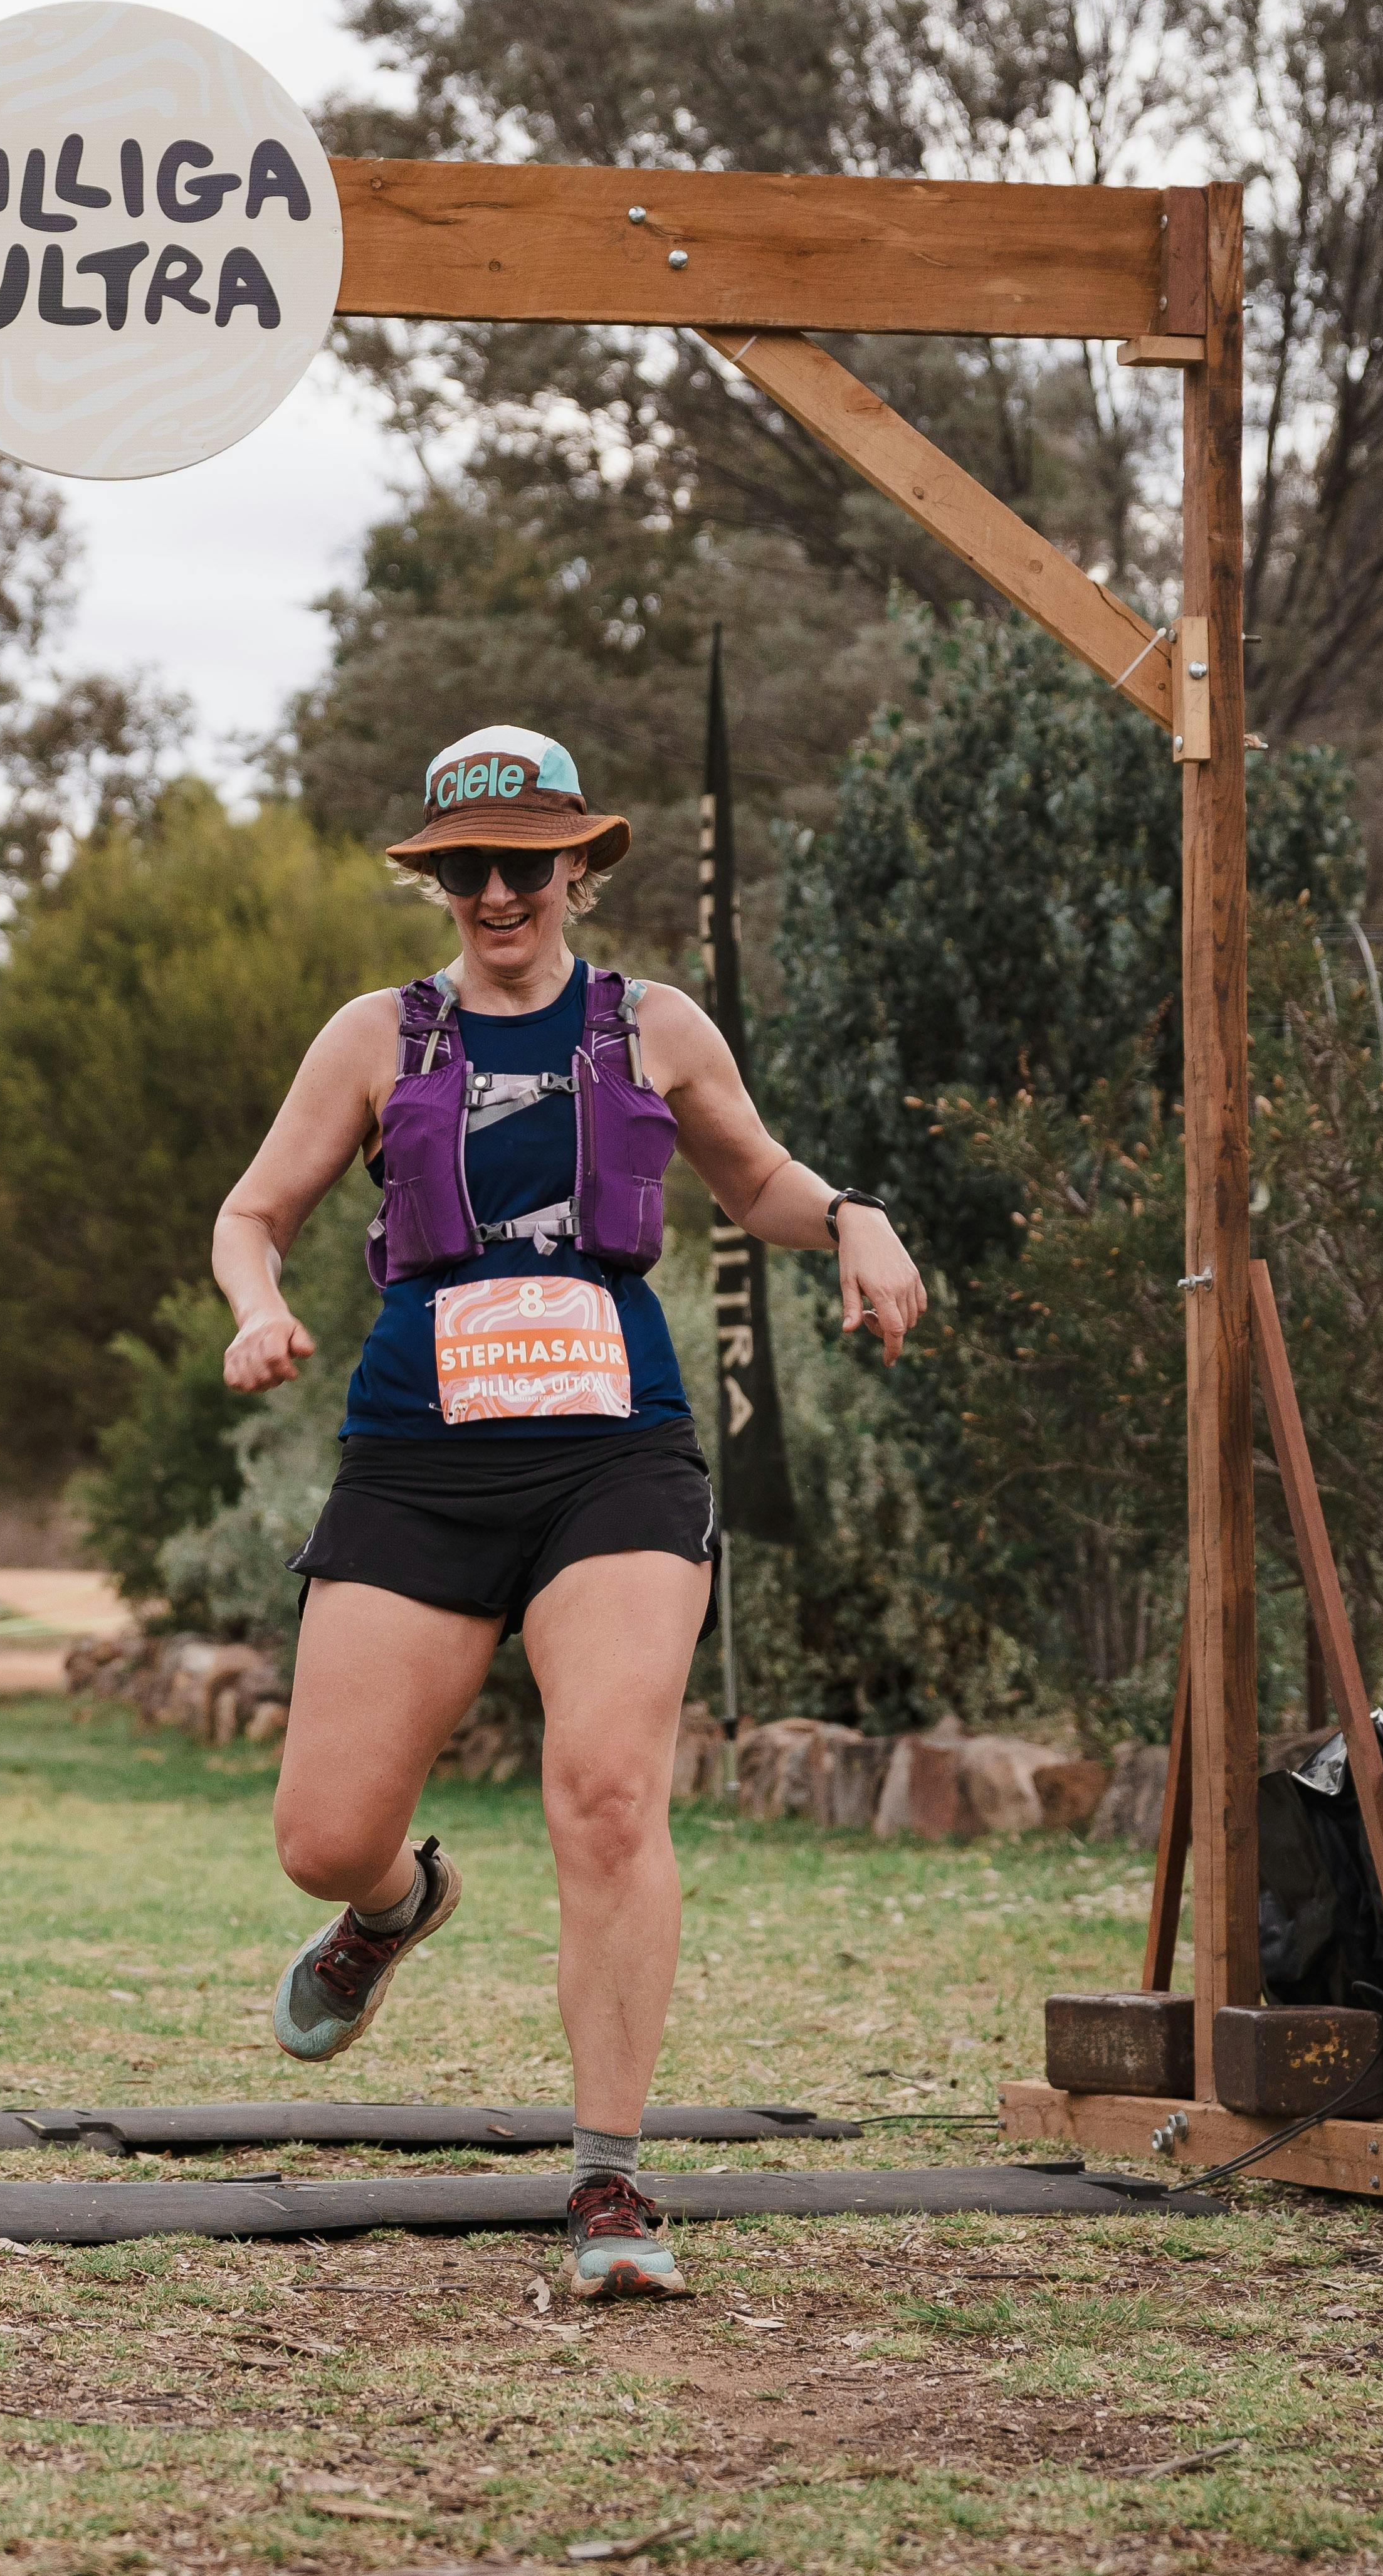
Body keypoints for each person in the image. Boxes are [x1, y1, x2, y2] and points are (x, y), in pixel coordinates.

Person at [208, 724, 925, 2299]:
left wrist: (856, 1217)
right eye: (466, 867)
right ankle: (397, 1909)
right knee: (322, 1838)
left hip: (616, 1455)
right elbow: (254, 1212)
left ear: (581, 872)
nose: (496, 891)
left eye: (526, 863)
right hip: (420, 1452)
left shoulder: (652, 1023)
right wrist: (254, 1302)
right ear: (437, 881)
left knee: (606, 1790)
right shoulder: (375, 1037)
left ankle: (608, 2179)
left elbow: (761, 1184)